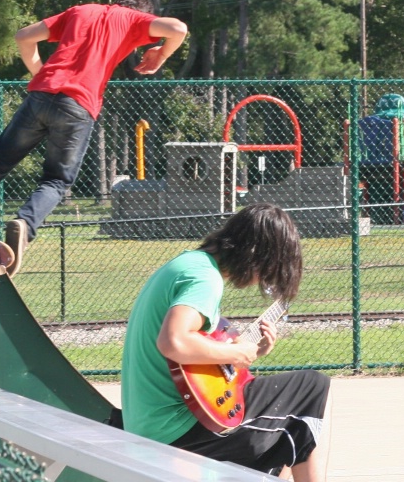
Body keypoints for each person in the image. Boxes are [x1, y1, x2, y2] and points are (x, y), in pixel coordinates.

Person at [0, 0, 188, 276]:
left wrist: (42, 74)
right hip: (78, 105)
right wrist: (160, 54)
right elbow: (178, 29)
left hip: (40, 95)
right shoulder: (134, 20)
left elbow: (24, 36)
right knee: (56, 179)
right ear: (142, 13)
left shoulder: (81, 10)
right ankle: (25, 225)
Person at [120, 203, 332, 481]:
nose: (263, 280)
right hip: (176, 431)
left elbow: (192, 360)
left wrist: (247, 351)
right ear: (257, 255)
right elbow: (174, 342)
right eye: (269, 270)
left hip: (151, 424)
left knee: (282, 425)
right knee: (311, 387)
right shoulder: (205, 279)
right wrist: (235, 354)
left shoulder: (189, 263)